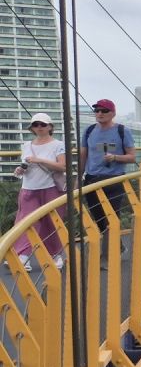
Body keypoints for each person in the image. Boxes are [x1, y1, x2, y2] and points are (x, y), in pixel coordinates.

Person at [81, 99, 137, 263]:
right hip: (92, 179)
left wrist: (115, 157)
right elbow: (83, 155)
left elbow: (132, 157)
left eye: (104, 111)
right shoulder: (89, 130)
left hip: (113, 179)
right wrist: (79, 176)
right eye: (97, 111)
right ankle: (117, 247)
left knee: (111, 217)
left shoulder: (122, 130)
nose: (100, 113)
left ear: (112, 113)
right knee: (99, 218)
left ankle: (109, 256)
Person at [13, 113, 66, 272]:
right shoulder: (27, 145)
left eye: (43, 124)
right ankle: (23, 256)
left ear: (50, 127)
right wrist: (20, 169)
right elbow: (25, 165)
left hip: (51, 188)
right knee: (26, 222)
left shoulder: (58, 144)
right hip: (29, 188)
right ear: (32, 128)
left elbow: (62, 166)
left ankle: (55, 255)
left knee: (52, 222)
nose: (39, 127)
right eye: (35, 125)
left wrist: (40, 160)